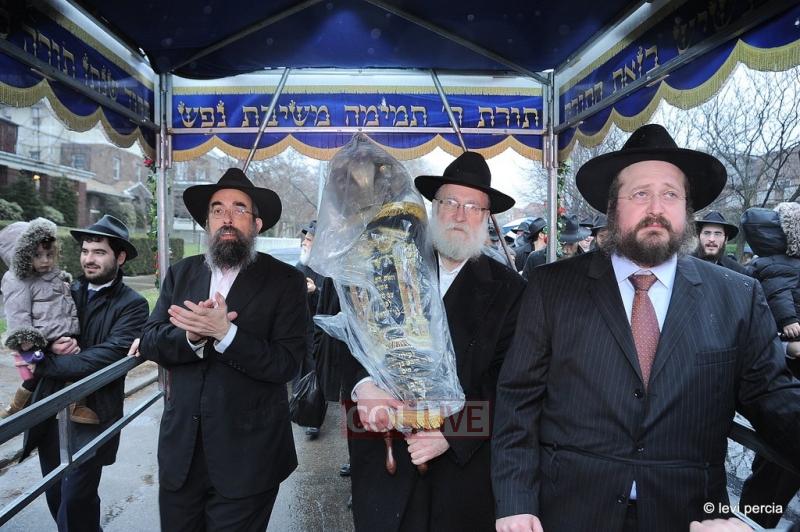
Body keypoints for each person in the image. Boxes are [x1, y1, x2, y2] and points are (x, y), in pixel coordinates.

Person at [492, 124, 800, 532]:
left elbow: (772, 397)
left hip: (690, 516)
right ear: (613, 208)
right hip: (569, 511)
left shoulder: (737, 295)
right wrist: (515, 502)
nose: (656, 208)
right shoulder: (552, 287)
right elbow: (518, 401)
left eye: (670, 194)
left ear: (687, 209)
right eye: (640, 194)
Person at [349, 151, 526, 531]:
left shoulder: (511, 291)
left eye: (473, 207)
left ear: (486, 217)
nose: (460, 215)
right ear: (433, 207)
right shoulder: (385, 265)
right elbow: (339, 339)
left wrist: (452, 433)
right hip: (385, 462)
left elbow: (511, 384)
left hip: (460, 474)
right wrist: (363, 387)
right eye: (450, 202)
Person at [139, 167, 307, 531]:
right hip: (182, 456)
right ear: (207, 223)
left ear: (256, 225)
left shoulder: (286, 281)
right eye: (217, 210)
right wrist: (191, 337)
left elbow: (288, 364)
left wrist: (226, 333)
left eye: (238, 209)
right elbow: (150, 340)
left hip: (249, 459)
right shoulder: (181, 274)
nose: (226, 218)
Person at [21, 214, 148, 532]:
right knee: (57, 496)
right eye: (85, 251)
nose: (89, 259)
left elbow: (103, 359)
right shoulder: (61, 290)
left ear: (120, 257)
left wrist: (44, 364)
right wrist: (37, 351)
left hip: (94, 415)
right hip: (49, 408)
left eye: (99, 252)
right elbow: (26, 338)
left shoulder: (133, 305)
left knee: (76, 497)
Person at [738, 202, 800, 527]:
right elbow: (760, 326)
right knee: (772, 472)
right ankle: (753, 520)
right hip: (779, 381)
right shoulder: (769, 270)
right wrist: (789, 343)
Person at [0, 218, 91, 422]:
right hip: (38, 342)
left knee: (66, 365)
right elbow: (18, 315)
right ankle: (74, 405)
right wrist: (32, 347)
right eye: (37, 255)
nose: (45, 261)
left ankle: (18, 406)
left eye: (49, 255)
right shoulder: (18, 281)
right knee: (44, 372)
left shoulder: (51, 276)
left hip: (61, 334)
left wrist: (64, 285)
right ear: (22, 256)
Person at [295, 219, 326, 440]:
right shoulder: (300, 267)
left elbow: (334, 300)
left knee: (317, 374)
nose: (304, 243)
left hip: (320, 332)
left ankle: (313, 420)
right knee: (303, 373)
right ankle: (303, 412)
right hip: (301, 330)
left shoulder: (326, 268)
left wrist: (316, 291)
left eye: (309, 239)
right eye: (304, 239)